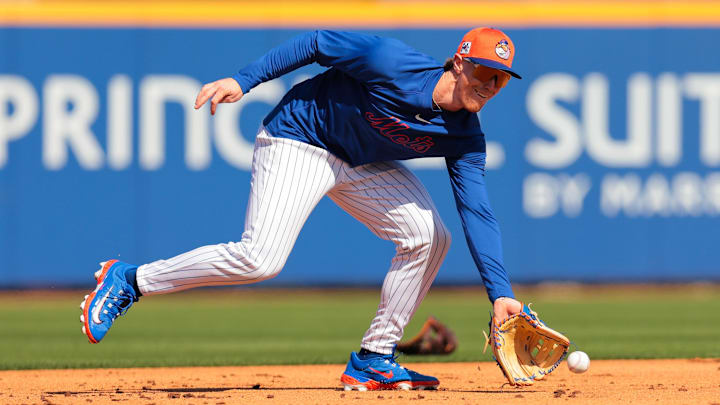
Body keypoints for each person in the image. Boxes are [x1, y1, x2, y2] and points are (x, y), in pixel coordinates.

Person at [79, 27, 524, 391]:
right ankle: (131, 279)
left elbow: (477, 211)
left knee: (431, 237)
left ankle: (375, 358)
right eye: (486, 71)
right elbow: (317, 42)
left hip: (360, 164)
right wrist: (243, 79)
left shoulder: (465, 137)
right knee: (260, 259)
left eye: (501, 79)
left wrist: (500, 292)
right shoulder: (392, 62)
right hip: (299, 138)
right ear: (460, 61)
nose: (490, 85)